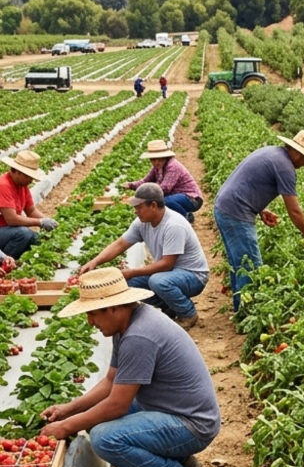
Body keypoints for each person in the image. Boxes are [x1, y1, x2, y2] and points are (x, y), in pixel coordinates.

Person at [42, 268, 219, 467]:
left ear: (114, 308)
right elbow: (111, 381)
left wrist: (66, 426)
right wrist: (69, 409)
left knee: (104, 437)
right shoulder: (129, 324)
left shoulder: (139, 336)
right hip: (174, 411)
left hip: (192, 425)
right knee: (95, 420)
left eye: (92, 313)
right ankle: (182, 460)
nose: (90, 322)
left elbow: (117, 405)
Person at [213, 130, 304, 313]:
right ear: (297, 152)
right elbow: (294, 210)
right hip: (236, 213)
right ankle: (249, 314)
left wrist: (260, 209)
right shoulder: (285, 167)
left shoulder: (273, 153)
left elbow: (247, 182)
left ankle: (240, 309)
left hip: (225, 207)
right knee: (252, 268)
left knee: (239, 264)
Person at [78, 184, 209, 329]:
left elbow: (167, 264)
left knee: (158, 281)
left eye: (139, 207)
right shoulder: (142, 223)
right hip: (170, 274)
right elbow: (120, 244)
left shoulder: (173, 225)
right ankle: (169, 306)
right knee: (125, 283)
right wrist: (94, 261)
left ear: (153, 205)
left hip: (193, 276)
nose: (136, 211)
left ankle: (188, 313)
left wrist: (132, 272)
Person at [124, 139, 204, 224]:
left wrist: (144, 197)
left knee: (163, 202)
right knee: (160, 201)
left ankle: (186, 217)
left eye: (159, 159)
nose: (156, 162)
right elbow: (146, 181)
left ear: (164, 157)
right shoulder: (157, 168)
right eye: (153, 160)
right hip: (178, 198)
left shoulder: (173, 166)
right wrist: (130, 185)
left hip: (192, 199)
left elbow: (164, 188)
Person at [0, 150, 59, 260]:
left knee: (37, 240)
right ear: (17, 171)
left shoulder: (22, 186)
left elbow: (31, 211)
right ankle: (4, 264)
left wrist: (50, 222)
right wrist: (40, 222)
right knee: (24, 234)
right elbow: (11, 220)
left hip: (8, 231)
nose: (30, 180)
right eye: (28, 176)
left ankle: (19, 263)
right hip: (3, 230)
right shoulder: (3, 185)